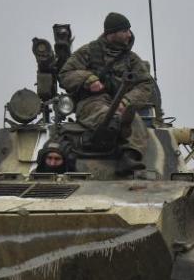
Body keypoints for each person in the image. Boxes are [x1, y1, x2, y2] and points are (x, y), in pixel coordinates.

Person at [58, 12, 156, 176]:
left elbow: (145, 83)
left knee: (133, 120)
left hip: (121, 103)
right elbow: (65, 74)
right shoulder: (88, 52)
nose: (129, 35)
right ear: (112, 33)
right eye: (125, 31)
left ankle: (129, 156)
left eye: (129, 31)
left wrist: (126, 101)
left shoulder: (131, 59)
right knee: (109, 117)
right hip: (91, 103)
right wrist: (88, 79)